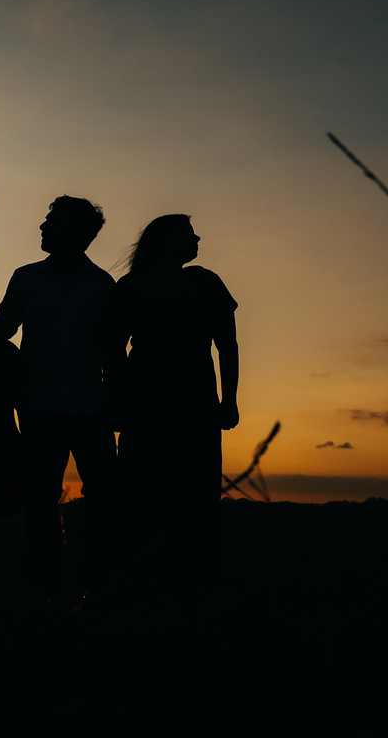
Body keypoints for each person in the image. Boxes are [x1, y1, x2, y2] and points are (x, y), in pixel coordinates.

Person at [0, 195, 117, 591]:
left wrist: (116, 400)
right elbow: (3, 332)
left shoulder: (104, 286)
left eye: (53, 220)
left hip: (91, 407)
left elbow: (114, 351)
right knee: (39, 501)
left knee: (103, 501)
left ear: (80, 233)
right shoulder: (25, 277)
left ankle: (98, 585)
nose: (42, 227)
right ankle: (45, 586)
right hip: (38, 407)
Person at [105, 214, 239, 595]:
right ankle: (144, 583)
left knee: (198, 496)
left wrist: (229, 400)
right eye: (188, 232)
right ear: (164, 239)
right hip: (145, 404)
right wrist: (115, 401)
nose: (197, 238)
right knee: (144, 495)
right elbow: (112, 352)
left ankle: (198, 584)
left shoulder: (206, 282)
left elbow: (227, 346)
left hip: (196, 405)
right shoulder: (130, 287)